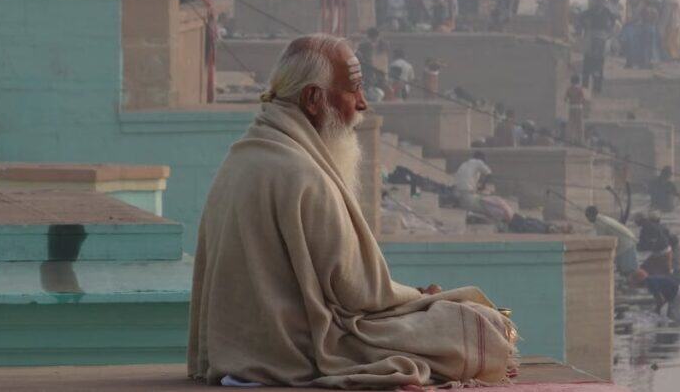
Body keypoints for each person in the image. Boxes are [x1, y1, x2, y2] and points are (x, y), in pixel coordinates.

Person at [189, 35, 518, 387]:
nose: (362, 104)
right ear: (314, 99)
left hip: (237, 352)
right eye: (354, 90)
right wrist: (421, 297)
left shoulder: (243, 156)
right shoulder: (303, 175)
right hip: (293, 351)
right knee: (471, 322)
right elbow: (360, 292)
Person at [579, 0, 617, 94]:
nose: (599, 4)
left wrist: (609, 30)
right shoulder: (590, 11)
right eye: (597, 1)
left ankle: (597, 88)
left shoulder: (606, 11)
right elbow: (580, 18)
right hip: (591, 37)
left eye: (601, 2)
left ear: (603, 3)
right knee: (588, 63)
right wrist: (585, 26)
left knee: (599, 64)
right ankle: (585, 87)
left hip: (601, 38)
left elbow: (614, 21)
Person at [585, 206, 638, 276]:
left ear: (591, 215)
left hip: (625, 243)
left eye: (587, 217)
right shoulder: (602, 219)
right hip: (626, 241)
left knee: (628, 269)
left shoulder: (600, 223)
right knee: (624, 267)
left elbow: (602, 241)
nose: (587, 219)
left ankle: (630, 283)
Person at [565, 75, 587, 145]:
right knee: (579, 124)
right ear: (578, 81)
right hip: (579, 107)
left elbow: (565, 99)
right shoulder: (580, 89)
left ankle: (569, 139)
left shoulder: (569, 89)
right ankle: (580, 140)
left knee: (571, 124)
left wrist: (571, 100)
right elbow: (583, 99)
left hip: (571, 107)